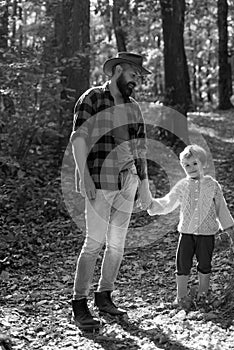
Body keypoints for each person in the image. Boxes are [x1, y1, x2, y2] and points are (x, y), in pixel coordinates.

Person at [70, 52, 153, 330]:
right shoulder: (92, 98)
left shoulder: (133, 107)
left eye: (139, 78)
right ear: (117, 70)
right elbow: (78, 139)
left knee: (117, 245)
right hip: (99, 181)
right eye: (133, 75)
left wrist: (144, 186)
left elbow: (140, 148)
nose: (136, 82)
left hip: (127, 181)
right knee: (93, 244)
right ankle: (79, 304)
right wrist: (85, 177)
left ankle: (104, 296)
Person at [147, 144, 234, 310]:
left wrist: (228, 227)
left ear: (203, 164)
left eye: (195, 163)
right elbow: (168, 202)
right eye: (187, 165)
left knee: (205, 263)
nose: (191, 168)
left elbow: (221, 208)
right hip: (186, 233)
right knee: (182, 264)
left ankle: (203, 294)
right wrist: (152, 205)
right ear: (183, 167)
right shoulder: (182, 185)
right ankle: (181, 295)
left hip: (207, 233)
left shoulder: (212, 185)